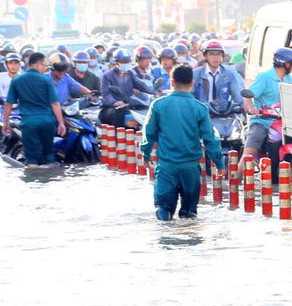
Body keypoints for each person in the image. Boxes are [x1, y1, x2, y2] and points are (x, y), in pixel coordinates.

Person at [138, 64, 225, 221]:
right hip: (190, 169)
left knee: (163, 211)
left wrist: (145, 154)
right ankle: (190, 243)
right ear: (192, 83)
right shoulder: (200, 108)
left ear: (171, 82)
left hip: (166, 167)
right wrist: (219, 164)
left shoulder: (158, 105)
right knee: (189, 215)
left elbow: (148, 133)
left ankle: (166, 242)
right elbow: (210, 139)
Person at [3, 53, 66, 168]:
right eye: (45, 66)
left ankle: (33, 183)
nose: (45, 69)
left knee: (32, 160)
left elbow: (8, 104)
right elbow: (55, 104)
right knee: (49, 156)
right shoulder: (46, 80)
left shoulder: (17, 80)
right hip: (47, 122)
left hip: (29, 123)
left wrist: (5, 123)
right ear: (37, 65)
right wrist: (61, 123)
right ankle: (51, 181)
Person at [241, 47, 292, 164]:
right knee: (248, 155)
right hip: (262, 122)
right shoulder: (264, 77)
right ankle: (235, 181)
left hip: (282, 123)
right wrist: (251, 108)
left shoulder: (288, 79)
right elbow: (247, 94)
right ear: (285, 63)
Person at [100, 48, 156, 128]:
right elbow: (106, 94)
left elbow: (141, 85)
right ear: (115, 62)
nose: (125, 64)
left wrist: (154, 94)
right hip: (110, 108)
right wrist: (114, 102)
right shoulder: (107, 76)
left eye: (127, 62)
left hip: (129, 106)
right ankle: (118, 137)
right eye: (123, 62)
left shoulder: (129, 74)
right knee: (120, 112)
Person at [191, 39, 243, 110]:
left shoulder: (229, 73)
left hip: (224, 114)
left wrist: (245, 107)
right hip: (202, 114)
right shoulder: (196, 73)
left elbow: (237, 96)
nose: (215, 57)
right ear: (205, 56)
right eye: (211, 54)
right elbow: (190, 96)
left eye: (218, 54)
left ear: (222, 56)